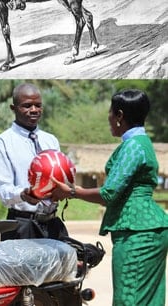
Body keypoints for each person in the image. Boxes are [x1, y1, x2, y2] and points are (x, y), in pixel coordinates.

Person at [50, 89, 168, 306]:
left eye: (111, 113)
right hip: (150, 229)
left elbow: (109, 193)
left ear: (120, 115)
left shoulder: (133, 146)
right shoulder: (142, 143)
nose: (109, 118)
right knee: (149, 300)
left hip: (137, 232)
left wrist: (72, 192)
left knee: (128, 298)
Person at [0, 82, 68, 241]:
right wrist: (23, 195)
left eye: (38, 105)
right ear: (13, 108)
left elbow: (59, 175)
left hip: (52, 223)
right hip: (21, 225)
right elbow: (2, 189)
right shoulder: (3, 142)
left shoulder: (51, 140)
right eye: (27, 106)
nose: (33, 110)